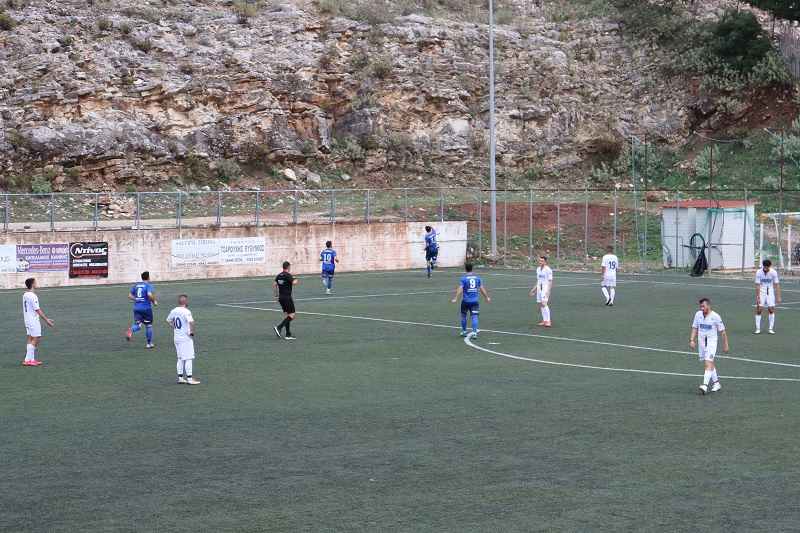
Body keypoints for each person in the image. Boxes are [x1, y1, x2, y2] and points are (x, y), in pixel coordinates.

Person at [689, 297, 728, 395]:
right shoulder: (698, 315)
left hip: (711, 343)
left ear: (709, 306)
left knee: (708, 363)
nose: (702, 308)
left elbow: (723, 332)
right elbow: (694, 328)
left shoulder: (716, 316)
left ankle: (705, 385)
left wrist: (725, 345)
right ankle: (716, 383)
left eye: (703, 306)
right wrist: (692, 340)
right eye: (700, 306)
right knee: (710, 363)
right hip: (702, 343)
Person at [166, 295, 200, 385]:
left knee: (180, 358)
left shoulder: (174, 310)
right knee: (188, 358)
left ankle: (180, 378)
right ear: (185, 302)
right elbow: (191, 322)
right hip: (185, 338)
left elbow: (168, 320)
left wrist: (175, 327)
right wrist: (191, 332)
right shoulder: (186, 311)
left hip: (176, 337)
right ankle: (190, 379)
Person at [451, 263, 491, 338]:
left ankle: (464, 331)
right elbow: (482, 288)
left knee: (463, 316)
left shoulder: (463, 278)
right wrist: (487, 297)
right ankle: (474, 333)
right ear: (472, 268)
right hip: (474, 301)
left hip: (465, 301)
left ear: (465, 269)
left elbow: (460, 288)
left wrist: (456, 298)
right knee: (474, 317)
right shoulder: (477, 278)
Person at [21, 278, 54, 367]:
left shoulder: (25, 294)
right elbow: (37, 310)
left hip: (27, 319)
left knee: (30, 337)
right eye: (35, 282)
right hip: (33, 320)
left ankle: (30, 360)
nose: (37, 283)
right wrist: (47, 320)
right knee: (36, 337)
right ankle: (28, 360)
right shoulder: (33, 296)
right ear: (32, 284)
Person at [126, 271, 158, 348]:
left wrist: (136, 299)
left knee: (137, 325)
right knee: (148, 325)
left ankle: (131, 330)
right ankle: (149, 344)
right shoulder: (148, 285)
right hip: (146, 309)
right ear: (148, 278)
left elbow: (129, 295)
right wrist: (154, 301)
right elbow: (149, 295)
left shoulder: (136, 285)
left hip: (137, 308)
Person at [273, 261, 299, 340]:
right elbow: (294, 283)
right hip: (287, 298)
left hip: (281, 298)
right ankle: (279, 327)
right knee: (292, 315)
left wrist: (276, 295)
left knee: (288, 315)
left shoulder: (279, 275)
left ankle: (288, 334)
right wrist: (296, 279)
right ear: (288, 267)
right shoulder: (288, 275)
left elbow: (274, 284)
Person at [754, 259, 781, 334]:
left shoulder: (773, 272)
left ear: (770, 266)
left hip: (770, 290)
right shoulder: (759, 272)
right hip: (761, 290)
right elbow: (757, 285)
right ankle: (758, 329)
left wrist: (778, 296)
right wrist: (758, 297)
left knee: (771, 309)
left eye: (767, 267)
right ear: (763, 266)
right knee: (759, 309)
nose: (766, 268)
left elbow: (777, 285)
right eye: (765, 267)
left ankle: (770, 328)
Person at [529, 256, 553, 327]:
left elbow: (550, 281)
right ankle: (544, 320)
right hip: (539, 288)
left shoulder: (548, 270)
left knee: (544, 304)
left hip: (545, 288)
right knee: (541, 304)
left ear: (545, 262)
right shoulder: (538, 269)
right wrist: (533, 289)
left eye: (542, 261)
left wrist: (548, 291)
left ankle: (548, 321)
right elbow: (538, 281)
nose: (540, 262)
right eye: (539, 261)